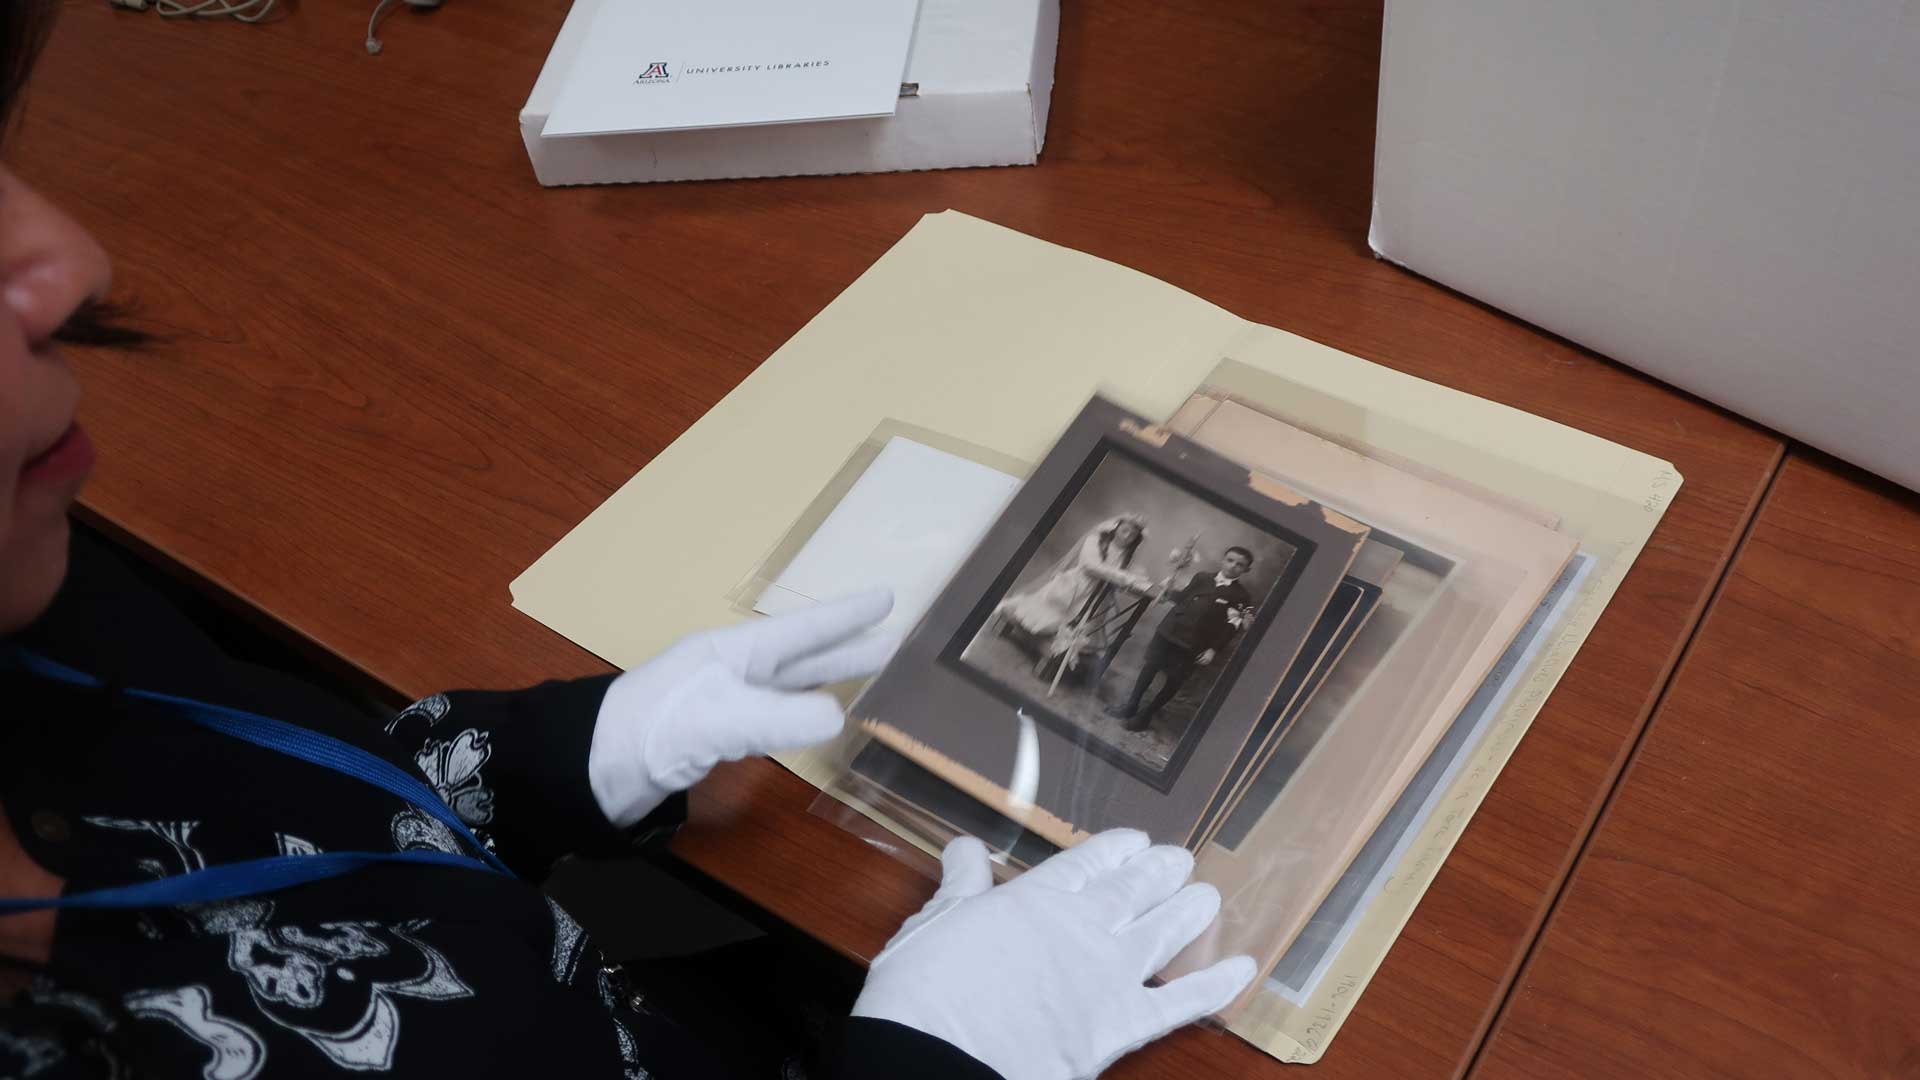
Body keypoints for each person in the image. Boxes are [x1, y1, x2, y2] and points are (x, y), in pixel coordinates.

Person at [0, 3, 1255, 1077]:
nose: (72, 263)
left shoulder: (44, 583)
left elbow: (289, 819)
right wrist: (937, 1060)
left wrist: (553, 756)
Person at [1105, 547, 1255, 734]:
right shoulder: (1202, 578)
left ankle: (1146, 715)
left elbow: (1231, 627)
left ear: (1246, 570)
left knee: (1174, 680)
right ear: (1223, 560)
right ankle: (1131, 705)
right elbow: (1183, 598)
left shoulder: (1241, 596)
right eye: (1230, 560)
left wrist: (1212, 649)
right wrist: (1168, 589)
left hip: (1195, 643)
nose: (1233, 566)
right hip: (1170, 630)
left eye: (1240, 565)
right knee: (1151, 666)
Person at [991, 515, 1154, 672]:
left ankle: (1062, 647)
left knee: (1083, 626)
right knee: (1050, 616)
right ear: (1116, 527)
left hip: (1096, 595)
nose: (1127, 537)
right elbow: (1091, 566)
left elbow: (1134, 572)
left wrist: (1140, 578)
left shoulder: (1127, 554)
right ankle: (1038, 636)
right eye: (1124, 530)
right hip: (1077, 585)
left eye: (1132, 535)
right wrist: (1124, 577)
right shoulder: (1095, 540)